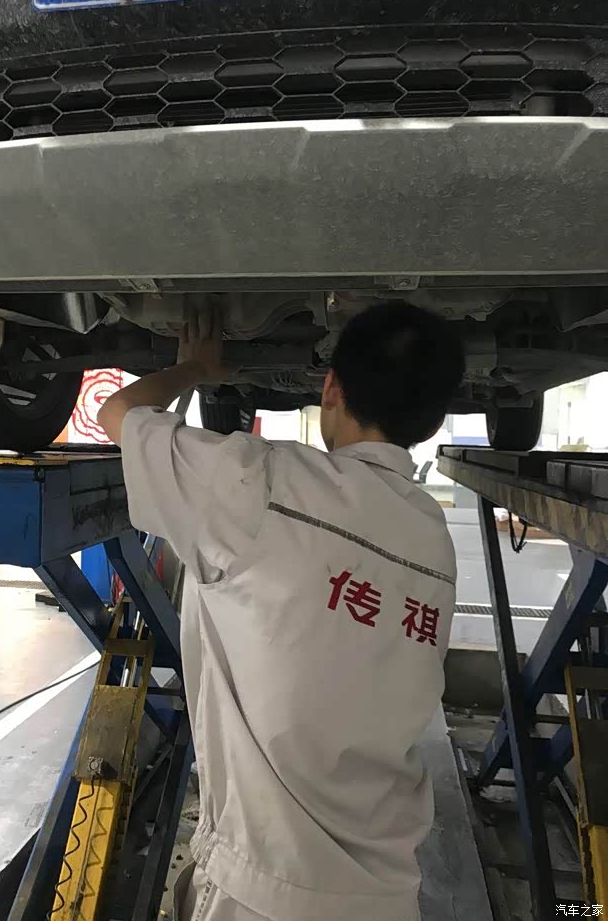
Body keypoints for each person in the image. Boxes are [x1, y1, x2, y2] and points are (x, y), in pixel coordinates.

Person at [98, 301, 465, 921]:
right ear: (430, 423)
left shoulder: (261, 483)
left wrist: (195, 368)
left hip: (265, 893)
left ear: (331, 388)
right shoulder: (433, 539)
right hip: (386, 897)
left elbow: (119, 413)